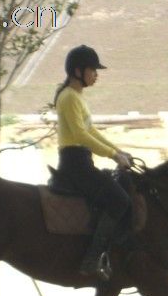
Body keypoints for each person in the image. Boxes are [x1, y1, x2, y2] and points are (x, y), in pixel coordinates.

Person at [53, 45, 133, 280]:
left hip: (82, 160)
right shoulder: (68, 97)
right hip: (74, 164)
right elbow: (79, 134)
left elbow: (91, 131)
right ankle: (91, 260)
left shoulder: (77, 97)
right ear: (78, 71)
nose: (96, 75)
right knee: (119, 200)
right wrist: (112, 155)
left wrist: (118, 151)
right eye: (93, 70)